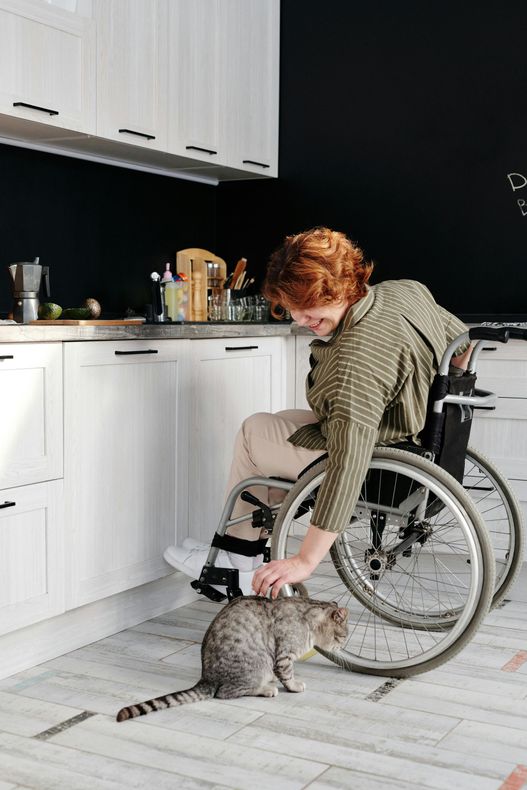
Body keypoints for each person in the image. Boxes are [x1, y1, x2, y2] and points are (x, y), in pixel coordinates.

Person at [164, 227, 470, 599]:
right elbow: (461, 344)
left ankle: (239, 561)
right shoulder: (406, 291)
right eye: (291, 305)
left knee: (253, 434)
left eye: (304, 305)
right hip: (419, 438)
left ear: (336, 289)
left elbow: (348, 464)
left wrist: (305, 561)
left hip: (380, 462)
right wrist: (433, 402)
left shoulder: (355, 363)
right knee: (276, 423)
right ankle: (239, 548)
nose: (297, 317)